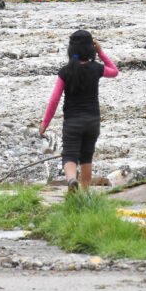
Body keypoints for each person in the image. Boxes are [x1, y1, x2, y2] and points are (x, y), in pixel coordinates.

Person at [39, 31, 119, 192]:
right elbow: (114, 71)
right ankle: (84, 194)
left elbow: (54, 99)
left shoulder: (65, 71)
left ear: (71, 49)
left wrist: (44, 124)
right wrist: (101, 52)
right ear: (91, 49)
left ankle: (71, 180)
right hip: (93, 121)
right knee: (86, 157)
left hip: (72, 122)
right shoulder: (96, 69)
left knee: (69, 155)